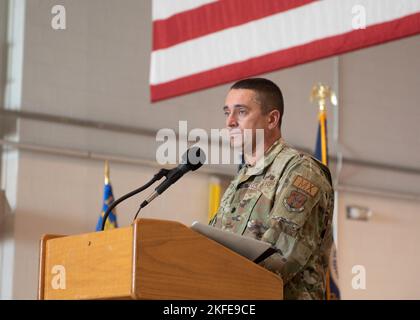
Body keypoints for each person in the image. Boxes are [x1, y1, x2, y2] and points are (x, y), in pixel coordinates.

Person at [209, 78, 334, 300]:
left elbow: (278, 259)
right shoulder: (243, 177)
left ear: (272, 119)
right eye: (227, 112)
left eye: (241, 112)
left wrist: (213, 284)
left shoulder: (302, 171)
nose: (229, 122)